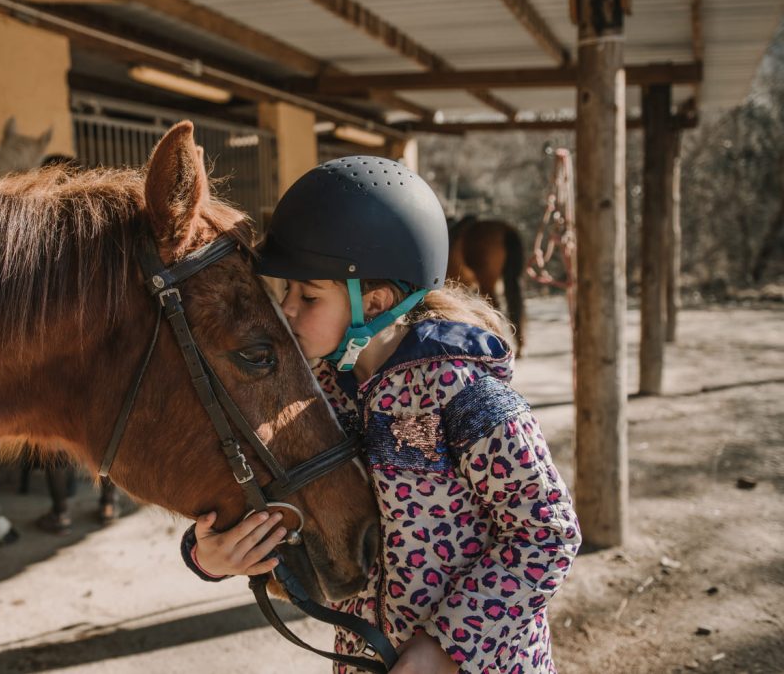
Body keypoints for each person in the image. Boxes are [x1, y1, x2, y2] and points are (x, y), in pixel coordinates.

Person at [179, 157, 580, 673]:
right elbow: (274, 495)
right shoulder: (313, 393)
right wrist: (207, 555)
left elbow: (547, 533)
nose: (289, 311)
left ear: (375, 303)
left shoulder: (464, 395)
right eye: (286, 293)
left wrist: (447, 646)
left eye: (309, 295)